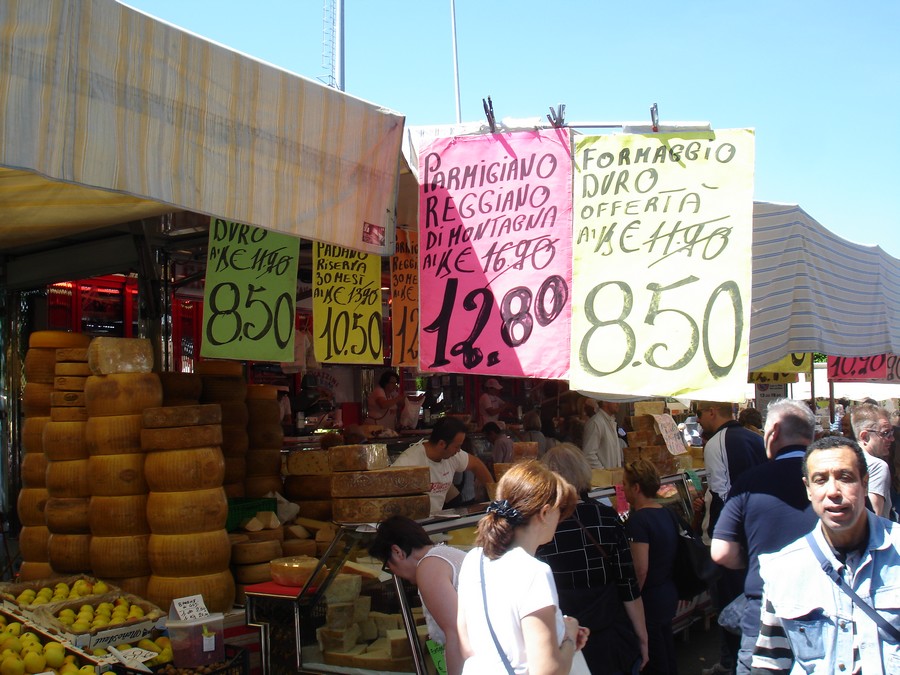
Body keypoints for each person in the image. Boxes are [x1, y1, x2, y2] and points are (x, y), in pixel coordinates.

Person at [751, 435, 900, 674]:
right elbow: (770, 663)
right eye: (820, 480)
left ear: (865, 483)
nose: (833, 491)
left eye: (845, 477)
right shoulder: (783, 569)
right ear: (808, 489)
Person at [710, 399, 818, 675]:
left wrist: (754, 560)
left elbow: (721, 552)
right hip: (827, 614)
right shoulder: (834, 480)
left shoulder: (750, 482)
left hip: (764, 617)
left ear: (773, 432)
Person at [456, 461, 590, 674]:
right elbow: (547, 670)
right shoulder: (534, 572)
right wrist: (570, 638)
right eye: (560, 511)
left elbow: (466, 646)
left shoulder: (473, 559)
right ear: (545, 513)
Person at [538, 444, 649, 675]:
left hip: (563, 636)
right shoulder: (606, 517)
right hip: (608, 632)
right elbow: (628, 585)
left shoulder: (541, 524)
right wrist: (642, 637)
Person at [696, 400, 766, 675]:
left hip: (731, 539)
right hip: (756, 534)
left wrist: (721, 538)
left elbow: (722, 495)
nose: (698, 419)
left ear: (712, 411)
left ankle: (733, 663)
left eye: (700, 413)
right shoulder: (756, 439)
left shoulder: (716, 443)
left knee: (728, 605)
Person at [368, 516, 467, 675]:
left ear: (397, 552)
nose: (394, 573)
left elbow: (457, 634)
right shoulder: (445, 554)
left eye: (388, 566)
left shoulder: (429, 568)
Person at [622, 460, 679, 675]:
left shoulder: (638, 521)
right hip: (668, 591)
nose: (623, 489)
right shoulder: (667, 512)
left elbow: (641, 569)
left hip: (650, 598)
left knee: (654, 659)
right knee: (666, 649)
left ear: (636, 488)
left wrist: (632, 600)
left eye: (625, 484)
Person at [391, 417, 494, 515]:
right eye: (457, 446)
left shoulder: (454, 455)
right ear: (441, 444)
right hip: (413, 522)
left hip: (435, 520)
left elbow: (476, 464)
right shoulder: (409, 461)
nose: (459, 451)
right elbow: (391, 495)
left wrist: (495, 496)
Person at [850, 401, 895, 519]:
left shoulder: (847, 460)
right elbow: (874, 516)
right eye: (885, 433)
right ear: (865, 436)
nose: (892, 439)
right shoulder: (877, 466)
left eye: (892, 432)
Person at [582, 398, 624, 469]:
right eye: (614, 399)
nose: (618, 403)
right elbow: (588, 455)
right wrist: (604, 472)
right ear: (605, 402)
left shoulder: (611, 422)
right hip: (604, 475)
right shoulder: (596, 423)